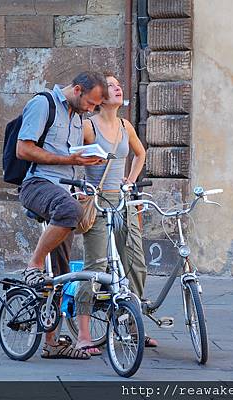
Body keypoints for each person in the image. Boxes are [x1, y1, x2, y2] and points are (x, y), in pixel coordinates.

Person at [17, 71, 108, 360]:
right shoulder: (43, 104)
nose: (91, 110)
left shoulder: (78, 115)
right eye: (91, 103)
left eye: (96, 107)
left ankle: (52, 343)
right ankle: (33, 262)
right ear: (78, 89)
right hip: (37, 185)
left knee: (61, 271)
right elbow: (24, 149)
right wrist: (69, 160)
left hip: (63, 192)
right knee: (70, 210)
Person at [74, 73, 158, 355]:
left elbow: (140, 154)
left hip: (122, 201)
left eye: (118, 84)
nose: (117, 87)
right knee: (96, 266)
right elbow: (72, 155)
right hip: (97, 202)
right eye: (110, 86)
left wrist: (131, 180)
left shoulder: (125, 125)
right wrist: (80, 188)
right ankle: (83, 336)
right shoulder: (89, 126)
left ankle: (133, 325)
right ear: (100, 97)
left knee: (135, 262)